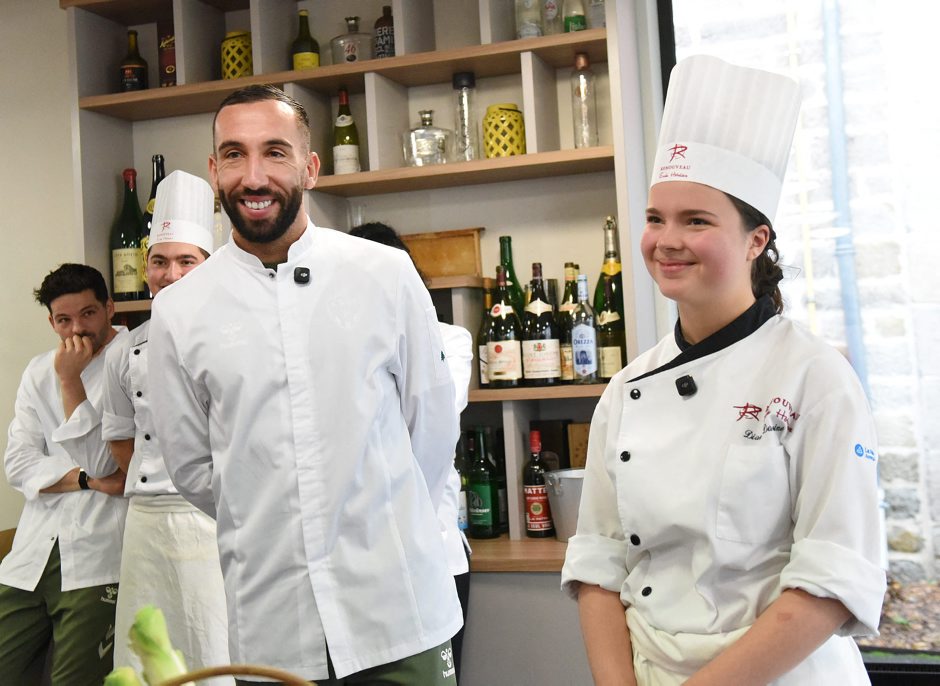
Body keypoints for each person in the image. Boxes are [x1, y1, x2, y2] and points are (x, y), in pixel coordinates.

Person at [561, 55, 885, 685]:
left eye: (696, 221)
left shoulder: (815, 378)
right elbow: (599, 563)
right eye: (655, 218)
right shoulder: (625, 390)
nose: (666, 240)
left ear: (756, 240)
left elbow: (830, 581)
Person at [147, 84, 463, 685]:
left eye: (275, 152)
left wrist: (378, 514)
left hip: (397, 606)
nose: (254, 176)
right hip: (272, 618)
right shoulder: (180, 310)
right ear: (215, 171)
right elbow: (192, 467)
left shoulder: (383, 273)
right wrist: (267, 508)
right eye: (234, 155)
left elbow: (431, 425)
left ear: (310, 167)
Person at [101, 170, 232, 681]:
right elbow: (121, 436)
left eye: (185, 261)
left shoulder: (233, 339)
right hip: (146, 523)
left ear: (208, 265)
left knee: (214, 646)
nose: (170, 274)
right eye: (159, 261)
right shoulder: (124, 350)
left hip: (214, 519)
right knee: (144, 652)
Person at [349, 221, 474, 682]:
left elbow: (431, 426)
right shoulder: (335, 346)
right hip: (360, 565)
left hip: (434, 552)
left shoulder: (449, 337)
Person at [0, 263, 129, 684]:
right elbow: (18, 463)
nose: (77, 329)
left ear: (109, 307)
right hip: (30, 555)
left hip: (98, 556)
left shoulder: (132, 361)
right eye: (64, 320)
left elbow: (105, 462)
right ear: (51, 321)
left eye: (88, 313)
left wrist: (70, 381)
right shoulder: (38, 370)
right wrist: (86, 481)